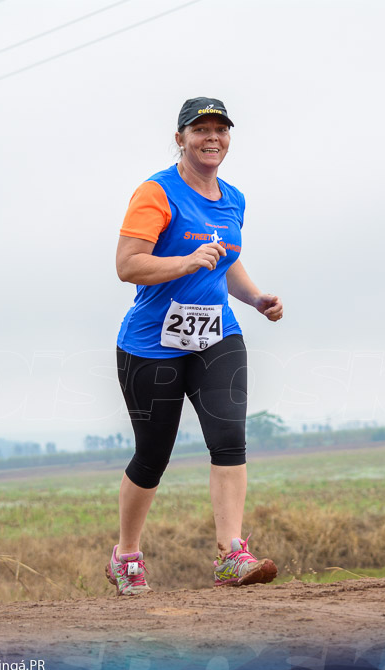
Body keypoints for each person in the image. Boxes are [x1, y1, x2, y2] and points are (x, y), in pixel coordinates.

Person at [106, 97, 283, 596]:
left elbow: (225, 261)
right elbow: (128, 265)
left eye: (220, 130)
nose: (213, 138)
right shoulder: (156, 193)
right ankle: (126, 556)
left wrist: (254, 298)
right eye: (200, 129)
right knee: (152, 456)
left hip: (216, 335)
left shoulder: (234, 199)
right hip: (152, 344)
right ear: (180, 137)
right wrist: (184, 262)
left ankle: (231, 554)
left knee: (229, 437)